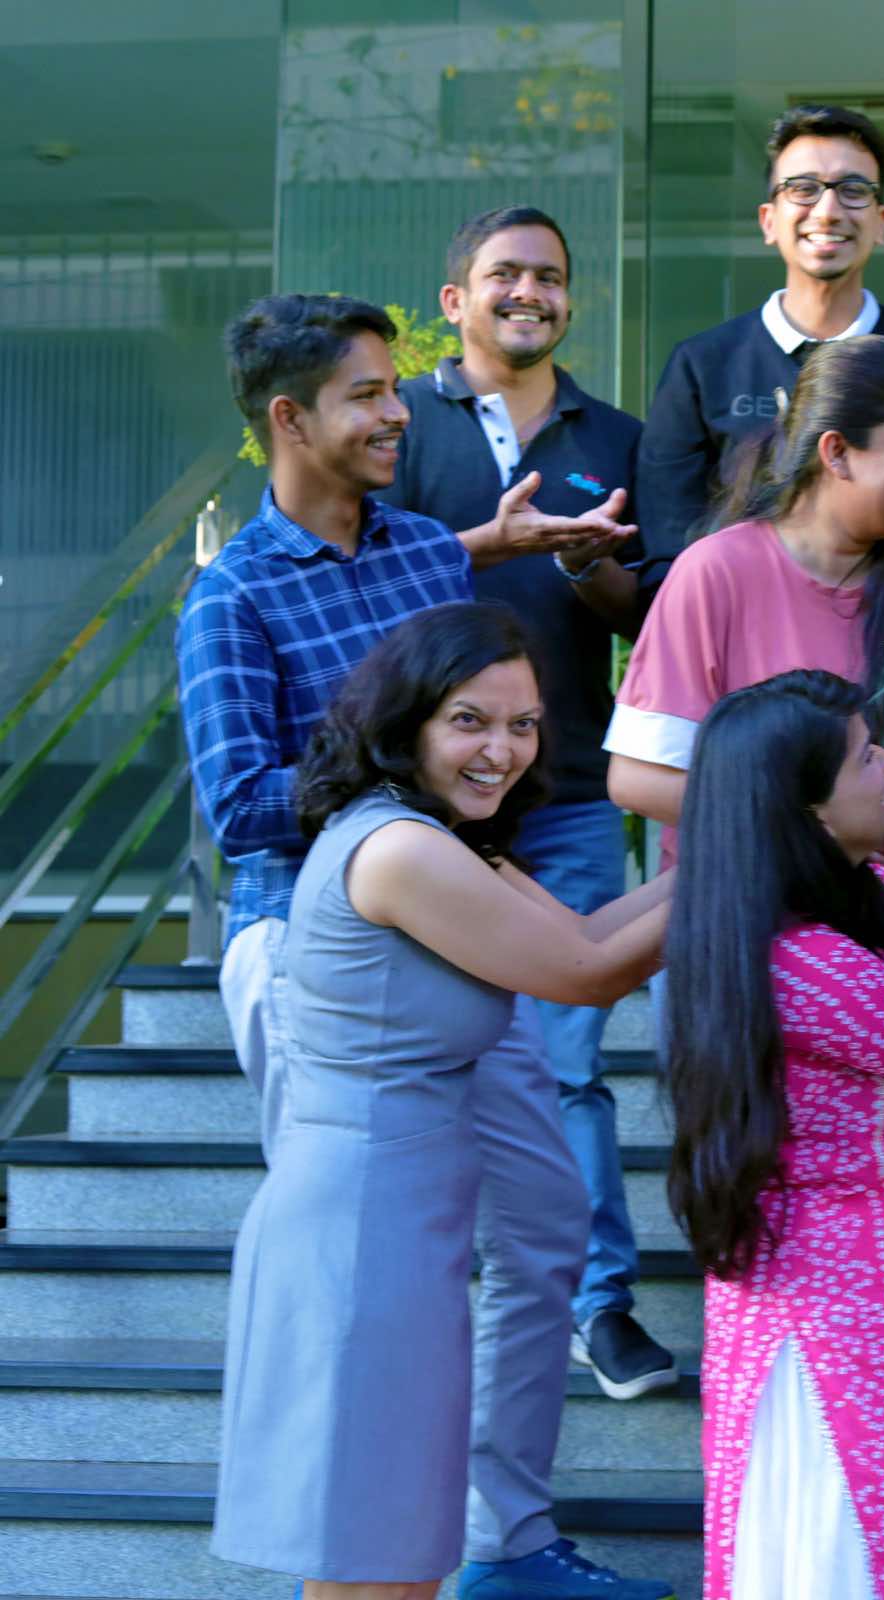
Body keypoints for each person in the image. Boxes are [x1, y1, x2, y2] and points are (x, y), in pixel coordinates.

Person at [181, 295, 663, 1600]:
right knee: (376, 1261)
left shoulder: (421, 554)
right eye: (370, 395)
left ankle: (499, 1535)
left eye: (398, 388)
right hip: (309, 945)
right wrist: (391, 794)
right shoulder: (230, 599)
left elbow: (477, 739)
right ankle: (375, 1534)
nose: (403, 410)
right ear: (290, 421)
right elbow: (236, 806)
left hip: (455, 914)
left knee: (548, 1215)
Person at [384, 204, 675, 1402]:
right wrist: (489, 545)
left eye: (550, 278)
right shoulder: (396, 421)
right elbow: (361, 575)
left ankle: (595, 1304)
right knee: (425, 1061)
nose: (530, 293)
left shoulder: (617, 434)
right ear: (454, 300)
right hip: (415, 814)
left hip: (557, 796)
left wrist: (581, 564)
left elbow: (648, 616)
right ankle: (435, 1286)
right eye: (505, 275)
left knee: (566, 1060)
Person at [663, 670, 884, 1600]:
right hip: (855, 1319)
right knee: (872, 1547)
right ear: (810, 815)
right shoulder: (807, 962)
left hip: (865, 1292)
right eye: (867, 755)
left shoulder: (839, 906)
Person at [605, 333, 884, 925]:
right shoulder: (715, 571)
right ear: (837, 453)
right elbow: (637, 779)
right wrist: (817, 821)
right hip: (748, 931)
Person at [640, 104, 884, 552]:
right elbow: (670, 542)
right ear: (768, 220)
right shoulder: (702, 366)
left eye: (853, 190)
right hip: (738, 617)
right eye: (803, 189)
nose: (828, 210)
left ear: (881, 222)